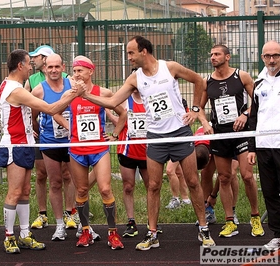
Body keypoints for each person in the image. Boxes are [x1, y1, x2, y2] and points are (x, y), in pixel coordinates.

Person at [79, 35, 216, 250]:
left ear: (144, 51)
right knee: (153, 185)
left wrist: (196, 110)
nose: (129, 57)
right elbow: (113, 101)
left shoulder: (169, 68)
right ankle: (152, 233)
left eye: (131, 53)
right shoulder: (134, 79)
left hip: (180, 133)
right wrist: (86, 95)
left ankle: (203, 228)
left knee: (192, 181)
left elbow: (199, 81)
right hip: (155, 137)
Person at [0, 49, 82, 254]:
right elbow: (51, 109)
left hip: (26, 143)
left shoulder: (15, 86)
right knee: (15, 191)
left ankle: (25, 234)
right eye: (29, 64)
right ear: (20, 66)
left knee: (25, 191)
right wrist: (72, 93)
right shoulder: (14, 89)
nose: (31, 68)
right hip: (15, 144)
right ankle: (9, 236)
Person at [198, 44, 264, 238]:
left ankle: (255, 217)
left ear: (227, 57)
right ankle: (229, 221)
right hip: (220, 135)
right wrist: (204, 122)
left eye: (217, 54)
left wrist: (245, 114)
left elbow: (258, 102)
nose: (213, 57)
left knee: (247, 176)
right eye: (211, 54)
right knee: (225, 177)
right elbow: (199, 107)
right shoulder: (207, 81)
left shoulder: (241, 76)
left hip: (241, 133)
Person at [66, 55, 126, 250]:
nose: (76, 74)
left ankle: (112, 233)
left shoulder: (104, 92)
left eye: (80, 70)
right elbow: (54, 111)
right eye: (74, 71)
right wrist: (68, 128)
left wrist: (115, 135)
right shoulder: (69, 93)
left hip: (99, 149)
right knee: (81, 190)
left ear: (90, 71)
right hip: (77, 149)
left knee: (105, 189)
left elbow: (123, 113)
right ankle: (85, 232)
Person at [25, 45, 76, 229]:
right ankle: (57, 223)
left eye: (57, 67)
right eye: (50, 67)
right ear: (45, 68)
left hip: (71, 140)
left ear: (63, 67)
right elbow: (31, 114)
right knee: (52, 180)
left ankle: (70, 213)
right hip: (49, 141)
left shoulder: (72, 85)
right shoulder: (38, 89)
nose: (53, 70)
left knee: (70, 176)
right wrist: (36, 130)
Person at [247, 40, 280, 250]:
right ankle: (277, 235)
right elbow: (253, 117)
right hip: (263, 146)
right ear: (262, 58)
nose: (271, 60)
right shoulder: (258, 84)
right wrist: (251, 147)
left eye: (275, 55)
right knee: (270, 192)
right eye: (267, 56)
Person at [105, 89, 148, 238]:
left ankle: (152, 221)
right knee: (128, 186)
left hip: (147, 152)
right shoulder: (125, 100)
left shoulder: (150, 98)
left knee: (152, 187)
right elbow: (120, 121)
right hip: (127, 150)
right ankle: (131, 221)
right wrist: (109, 114)